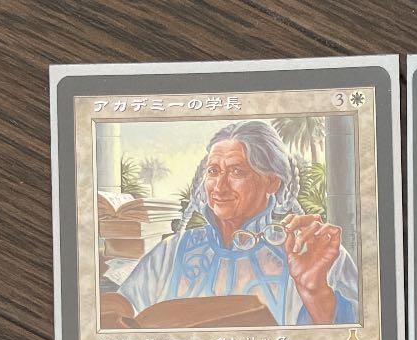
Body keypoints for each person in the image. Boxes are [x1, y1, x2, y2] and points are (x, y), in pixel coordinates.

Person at [119, 120, 358, 325]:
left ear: (272, 182)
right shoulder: (170, 252)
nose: (220, 186)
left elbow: (363, 336)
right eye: (213, 171)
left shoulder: (315, 252)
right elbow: (124, 312)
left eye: (237, 172)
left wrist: (316, 293)